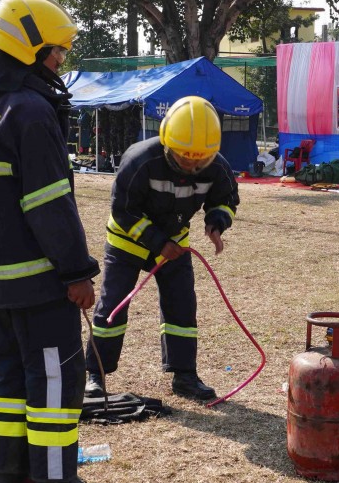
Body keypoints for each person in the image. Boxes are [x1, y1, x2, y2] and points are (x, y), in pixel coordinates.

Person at [0, 0, 114, 483]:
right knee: (54, 378)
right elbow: (49, 204)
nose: (60, 63)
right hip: (37, 278)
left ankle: (12, 477)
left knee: (11, 378)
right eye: (56, 53)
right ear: (29, 49)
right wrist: (77, 271)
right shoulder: (30, 111)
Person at [85, 95, 240, 403]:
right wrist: (157, 243)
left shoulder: (217, 165)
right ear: (168, 143)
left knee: (182, 306)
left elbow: (226, 199)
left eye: (201, 161)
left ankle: (184, 376)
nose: (193, 166)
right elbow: (123, 210)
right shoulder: (139, 160)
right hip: (128, 241)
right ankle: (95, 374)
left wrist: (217, 223)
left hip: (176, 243)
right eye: (185, 159)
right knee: (113, 305)